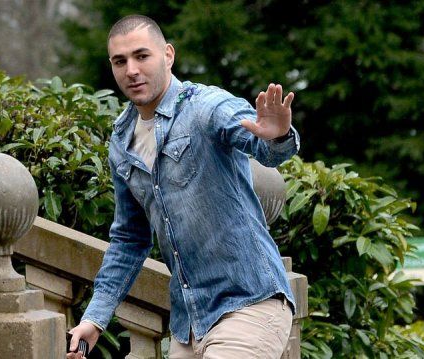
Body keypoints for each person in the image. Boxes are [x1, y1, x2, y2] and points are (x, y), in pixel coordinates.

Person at [67, 14, 300, 359]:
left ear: (168, 55)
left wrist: (277, 135)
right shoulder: (121, 142)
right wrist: (95, 317)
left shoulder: (205, 107)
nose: (131, 69)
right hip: (190, 325)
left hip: (250, 304)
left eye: (141, 56)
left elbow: (262, 145)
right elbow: (130, 239)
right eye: (120, 61)